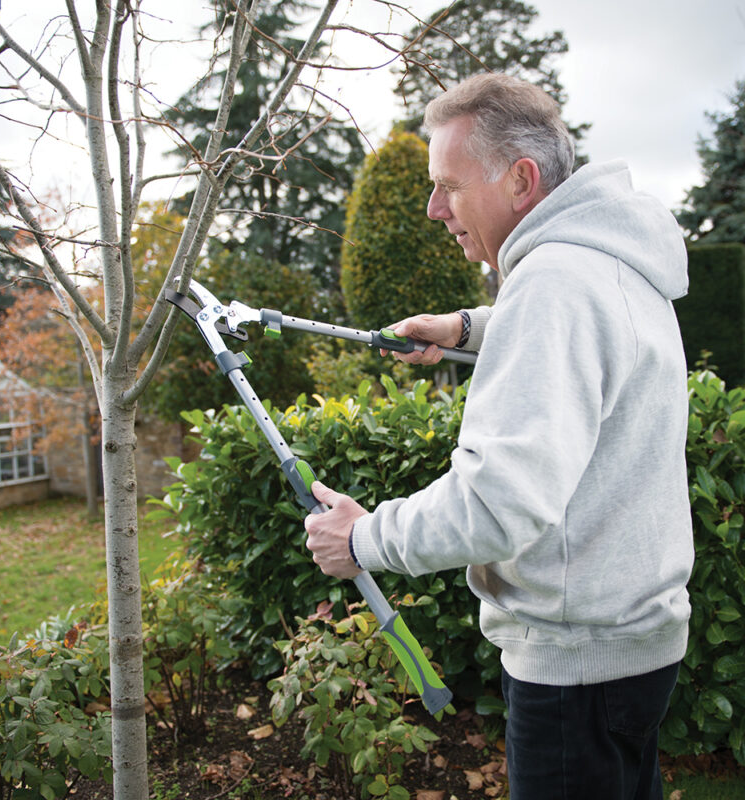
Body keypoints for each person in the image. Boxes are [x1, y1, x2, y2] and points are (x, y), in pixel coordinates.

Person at [303, 73, 694, 800]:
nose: (432, 209)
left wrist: (361, 541)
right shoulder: (612, 258)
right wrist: (468, 330)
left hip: (576, 669)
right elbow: (597, 349)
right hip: (636, 650)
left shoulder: (551, 286)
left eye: (448, 185)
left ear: (521, 180)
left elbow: (495, 506)